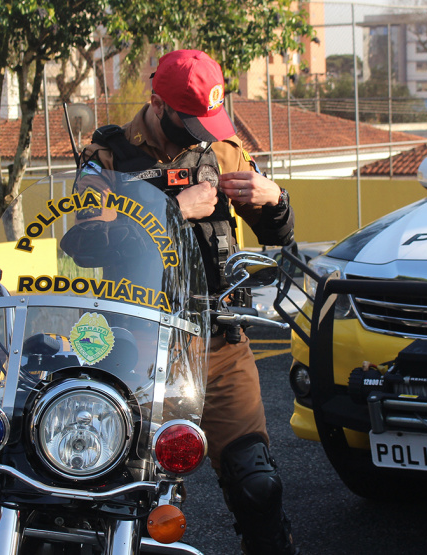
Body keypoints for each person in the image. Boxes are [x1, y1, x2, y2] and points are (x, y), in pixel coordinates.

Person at [71, 49, 297, 555]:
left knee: (256, 483)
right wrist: (171, 210)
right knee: (115, 483)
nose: (205, 132)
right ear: (157, 103)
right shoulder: (107, 156)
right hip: (135, 349)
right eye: (192, 120)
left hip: (218, 342)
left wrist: (273, 198)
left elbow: (279, 232)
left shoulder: (223, 147)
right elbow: (86, 244)